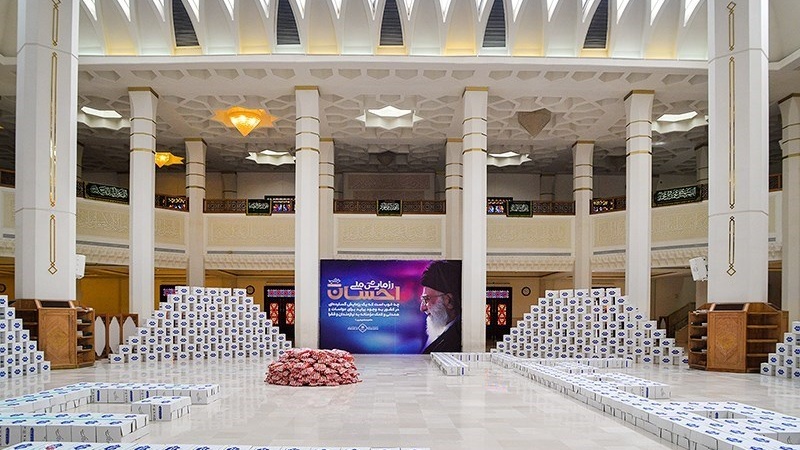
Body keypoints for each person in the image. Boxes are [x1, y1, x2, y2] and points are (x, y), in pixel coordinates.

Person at [419, 260, 462, 353]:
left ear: (449, 301)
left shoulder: (454, 341)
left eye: (426, 299)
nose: (422, 308)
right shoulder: (437, 332)